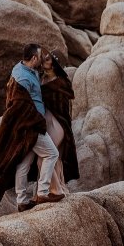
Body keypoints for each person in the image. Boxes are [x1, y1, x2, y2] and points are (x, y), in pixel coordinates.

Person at [0, 43, 61, 225]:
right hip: (30, 125)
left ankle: (22, 201)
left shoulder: (21, 68)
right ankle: (43, 192)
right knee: (52, 153)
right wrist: (37, 121)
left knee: (24, 161)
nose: (41, 60)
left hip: (26, 124)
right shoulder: (22, 79)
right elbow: (19, 105)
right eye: (40, 57)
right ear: (33, 58)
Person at [39, 49, 79, 196]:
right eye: (44, 59)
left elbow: (63, 108)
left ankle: (58, 189)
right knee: (53, 156)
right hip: (45, 121)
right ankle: (56, 188)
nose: (45, 61)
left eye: (48, 59)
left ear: (55, 63)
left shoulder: (61, 82)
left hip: (58, 123)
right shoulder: (40, 78)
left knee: (52, 154)